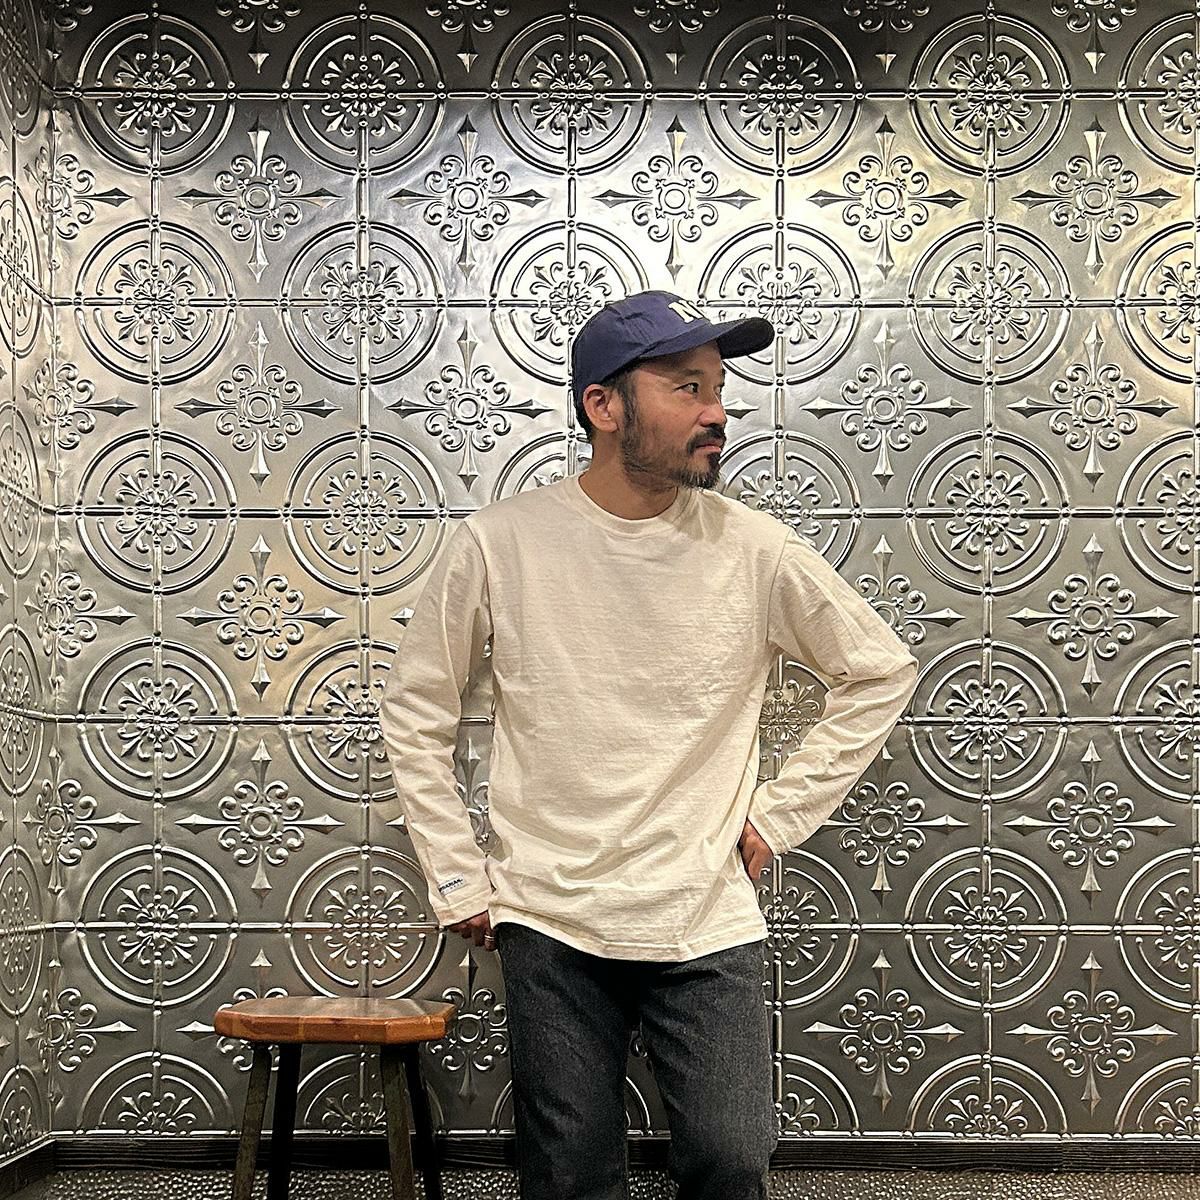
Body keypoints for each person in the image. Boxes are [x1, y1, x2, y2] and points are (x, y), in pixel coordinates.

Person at [379, 289, 919, 1199]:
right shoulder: (501, 544)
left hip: (703, 910)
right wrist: (458, 875)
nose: (717, 413)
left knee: (731, 1160)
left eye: (718, 388)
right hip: (550, 911)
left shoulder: (755, 549)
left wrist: (779, 816)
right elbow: (417, 708)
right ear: (603, 405)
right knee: (570, 1175)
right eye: (687, 387)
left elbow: (878, 671)